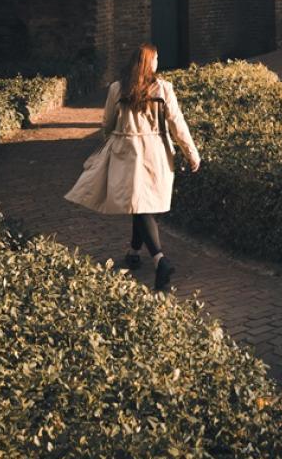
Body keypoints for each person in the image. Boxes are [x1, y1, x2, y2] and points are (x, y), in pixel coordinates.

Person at [64, 42, 201, 291]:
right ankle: (135, 251)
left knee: (139, 204)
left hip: (127, 153)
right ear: (150, 62)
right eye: (156, 58)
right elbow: (176, 124)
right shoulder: (163, 88)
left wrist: (112, 139)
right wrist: (191, 153)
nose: (158, 62)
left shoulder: (118, 88)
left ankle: (159, 259)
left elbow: (107, 122)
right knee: (141, 204)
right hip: (157, 152)